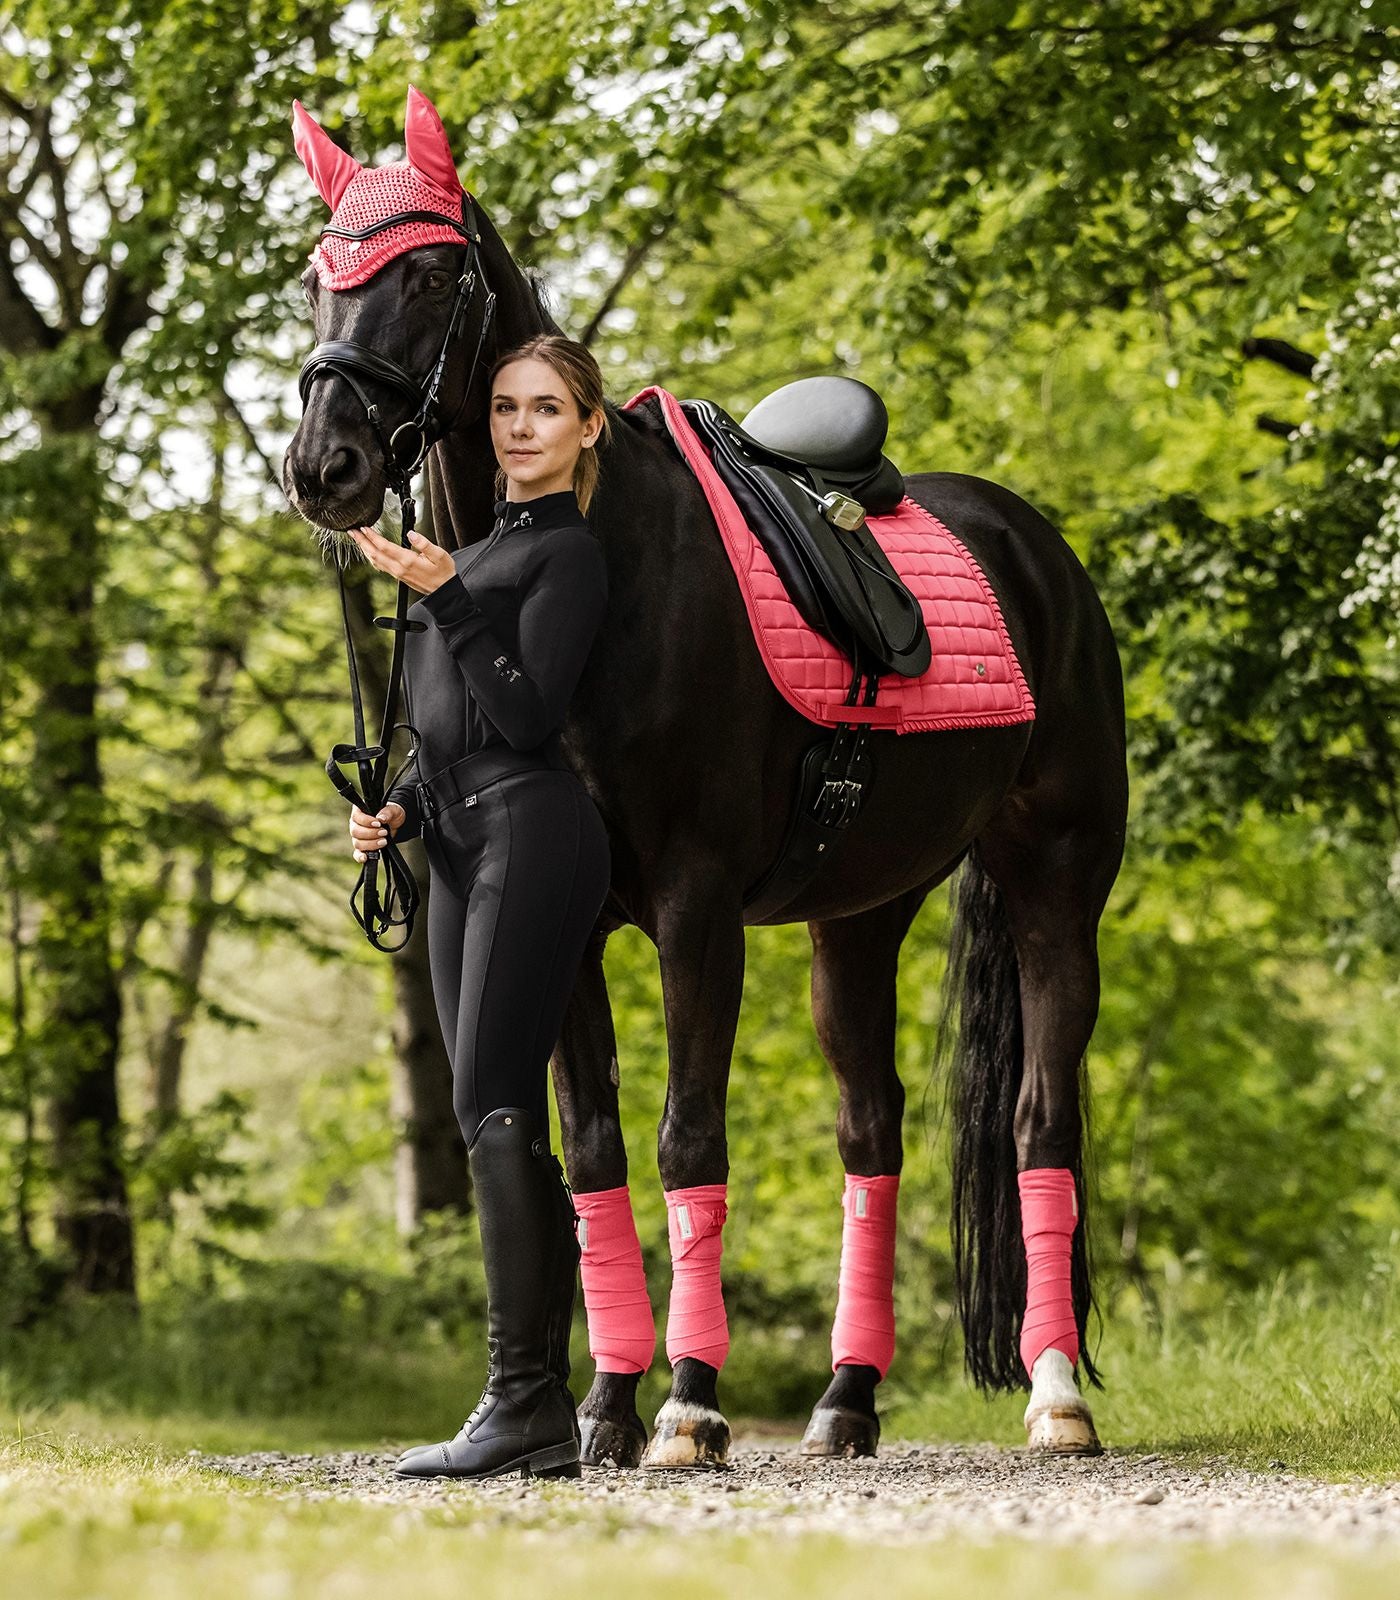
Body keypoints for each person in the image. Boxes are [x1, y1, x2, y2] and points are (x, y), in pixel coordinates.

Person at [345, 334, 612, 1480]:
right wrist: (396, 811)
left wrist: (446, 598)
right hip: (455, 836)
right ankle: (533, 1405)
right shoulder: (468, 549)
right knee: (484, 1110)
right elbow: (444, 722)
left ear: (585, 428)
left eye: (546, 409)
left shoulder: (571, 557)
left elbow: (523, 713)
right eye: (505, 407)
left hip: (532, 832)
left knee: (496, 1098)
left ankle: (522, 1401)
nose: (518, 427)